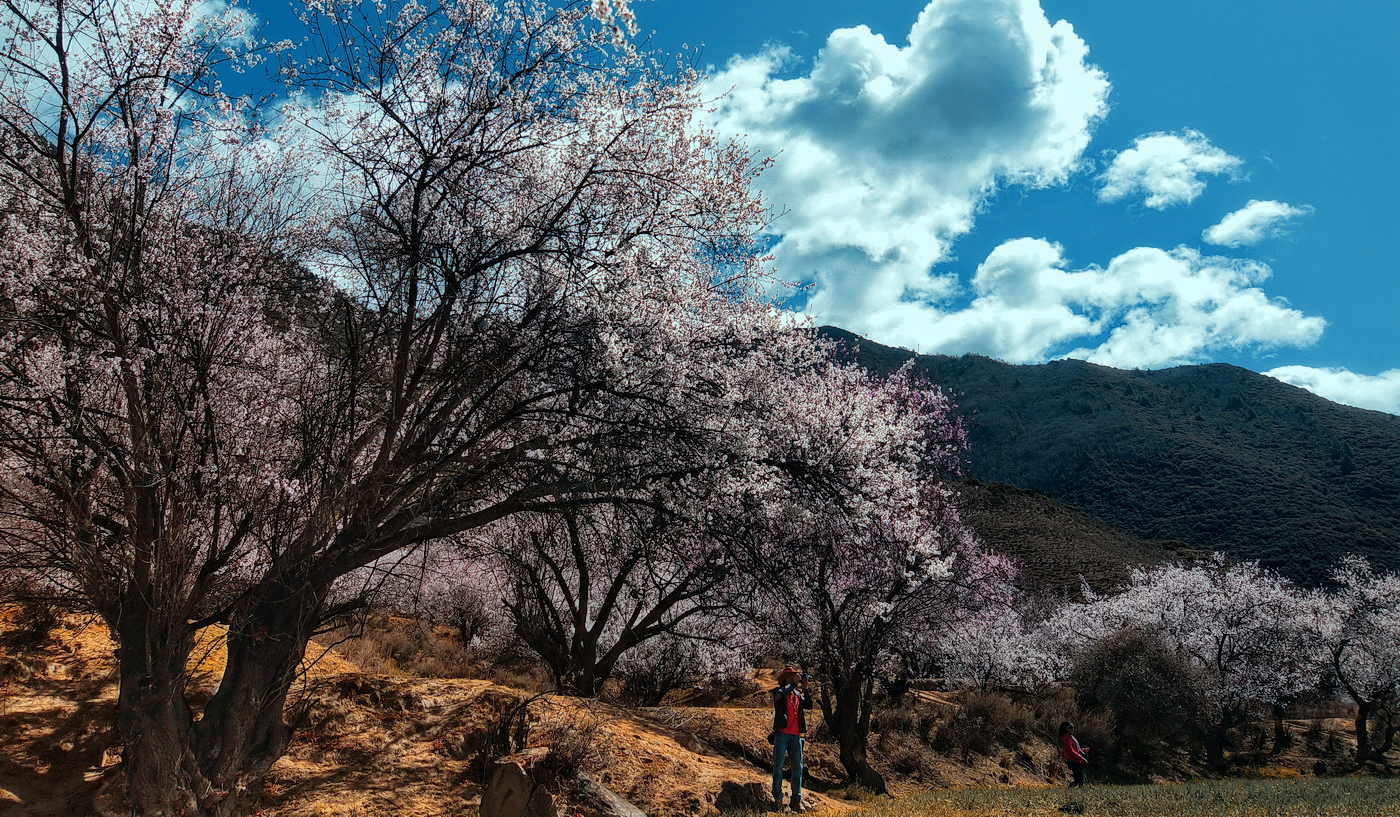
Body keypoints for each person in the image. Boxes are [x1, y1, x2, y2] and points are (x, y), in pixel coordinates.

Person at [771, 666, 812, 812]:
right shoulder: (779, 692)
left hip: (796, 736)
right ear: (786, 679)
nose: (795, 678)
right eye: (792, 677)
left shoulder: (797, 694)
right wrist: (794, 684)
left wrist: (805, 688)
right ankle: (777, 797)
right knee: (778, 765)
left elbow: (809, 705)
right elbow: (781, 693)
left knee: (798, 768)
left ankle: (796, 800)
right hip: (782, 734)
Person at [1059, 721, 1088, 788]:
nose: (1073, 729)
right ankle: (1073, 789)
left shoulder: (1070, 737)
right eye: (1071, 727)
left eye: (1073, 727)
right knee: (1078, 779)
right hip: (1072, 760)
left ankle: (1074, 788)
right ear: (1066, 728)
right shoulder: (1066, 738)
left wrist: (1083, 750)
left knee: (1078, 778)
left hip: (1075, 759)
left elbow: (1075, 749)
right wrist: (1081, 758)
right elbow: (1070, 751)